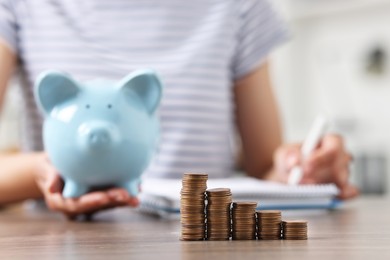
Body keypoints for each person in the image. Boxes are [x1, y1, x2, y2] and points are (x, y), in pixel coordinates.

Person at [0, 0, 358, 218]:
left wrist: (298, 168)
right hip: (62, 240)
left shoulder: (239, 5)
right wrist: (46, 171)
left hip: (199, 239)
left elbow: (264, 166)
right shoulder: (20, 5)